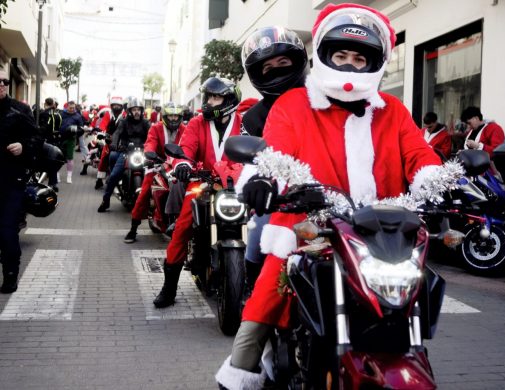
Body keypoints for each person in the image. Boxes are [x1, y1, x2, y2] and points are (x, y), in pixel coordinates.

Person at [215, 4, 442, 389]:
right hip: (307, 230)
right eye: (341, 55)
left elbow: (420, 155)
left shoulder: (393, 110)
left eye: (359, 57)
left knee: (414, 298)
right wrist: (264, 181)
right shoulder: (293, 105)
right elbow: (276, 152)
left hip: (382, 235)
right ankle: (239, 376)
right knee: (261, 308)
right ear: (324, 55)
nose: (350, 65)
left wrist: (435, 181)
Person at [153, 77, 243, 308]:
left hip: (238, 186)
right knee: (182, 227)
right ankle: (169, 287)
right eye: (208, 97)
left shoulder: (244, 123)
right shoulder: (197, 123)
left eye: (215, 97)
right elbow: (187, 147)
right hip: (201, 183)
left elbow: (255, 148)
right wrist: (183, 164)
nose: (209, 102)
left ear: (229, 99)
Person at [239, 26, 309, 296]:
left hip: (334, 197)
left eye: (283, 62)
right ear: (258, 74)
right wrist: (259, 182)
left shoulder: (324, 99)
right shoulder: (253, 118)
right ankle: (256, 297)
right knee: (256, 238)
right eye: (268, 67)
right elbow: (249, 162)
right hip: (280, 198)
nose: (277, 70)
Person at [0, 68, 43, 293]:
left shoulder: (20, 110)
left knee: (7, 230)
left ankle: (10, 275)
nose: (2, 86)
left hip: (11, 180)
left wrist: (23, 146)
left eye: (4, 82)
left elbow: (37, 137)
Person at [124, 103, 186, 243]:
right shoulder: (156, 128)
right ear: (165, 116)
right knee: (144, 193)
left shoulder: (184, 129)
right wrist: (149, 153)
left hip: (177, 166)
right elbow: (150, 142)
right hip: (156, 163)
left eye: (176, 115)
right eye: (171, 115)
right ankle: (133, 229)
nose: (174, 118)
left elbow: (189, 144)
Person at [97, 98, 150, 212]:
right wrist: (114, 144)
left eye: (138, 110)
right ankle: (105, 201)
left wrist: (151, 148)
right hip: (126, 152)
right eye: (134, 110)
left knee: (154, 176)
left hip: (142, 153)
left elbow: (151, 136)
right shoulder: (124, 122)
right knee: (114, 175)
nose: (136, 112)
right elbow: (117, 133)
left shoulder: (146, 123)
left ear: (142, 111)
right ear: (129, 111)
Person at [94, 96, 126, 189]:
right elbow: (103, 125)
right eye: (114, 105)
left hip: (122, 140)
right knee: (104, 157)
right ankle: (99, 180)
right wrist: (102, 133)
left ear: (121, 106)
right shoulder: (108, 114)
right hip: (109, 139)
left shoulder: (125, 115)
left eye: (118, 105)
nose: (116, 107)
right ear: (111, 106)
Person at [39, 97, 62, 191]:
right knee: (53, 162)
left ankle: (40, 182)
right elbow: (59, 127)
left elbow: (42, 127)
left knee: (41, 160)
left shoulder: (43, 113)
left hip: (45, 140)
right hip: (55, 141)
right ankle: (53, 183)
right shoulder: (58, 115)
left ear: (45, 103)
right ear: (53, 104)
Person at [59, 100, 84, 184]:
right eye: (70, 108)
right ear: (67, 107)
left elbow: (81, 129)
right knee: (59, 157)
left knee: (70, 158)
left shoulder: (78, 116)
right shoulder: (61, 114)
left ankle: (69, 176)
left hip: (71, 139)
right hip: (60, 138)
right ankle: (57, 174)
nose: (72, 109)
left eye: (73, 108)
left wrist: (75, 129)